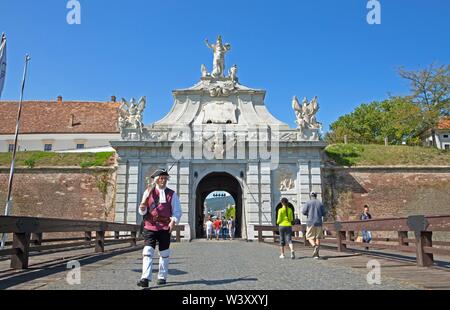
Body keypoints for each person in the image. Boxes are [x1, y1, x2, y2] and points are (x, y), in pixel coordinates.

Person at [137, 169, 182, 288]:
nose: (163, 180)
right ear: (156, 180)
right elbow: (143, 210)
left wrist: (173, 221)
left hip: (164, 227)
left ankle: (162, 276)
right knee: (148, 251)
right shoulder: (148, 192)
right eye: (161, 178)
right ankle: (145, 278)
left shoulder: (172, 194)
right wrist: (142, 208)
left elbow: (177, 211)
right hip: (150, 226)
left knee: (164, 253)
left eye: (165, 178)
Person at [302, 192, 326, 259]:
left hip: (310, 222)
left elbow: (303, 212)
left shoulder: (308, 203)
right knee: (318, 237)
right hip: (319, 222)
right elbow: (324, 213)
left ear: (310, 196)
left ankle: (314, 246)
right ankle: (316, 254)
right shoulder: (320, 203)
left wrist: (309, 213)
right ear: (316, 196)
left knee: (309, 237)